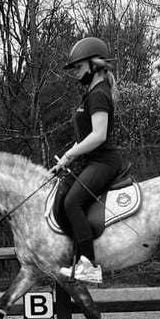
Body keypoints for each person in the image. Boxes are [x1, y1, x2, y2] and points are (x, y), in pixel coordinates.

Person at [51, 37, 123, 284]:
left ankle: (89, 265)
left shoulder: (99, 94)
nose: (76, 73)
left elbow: (99, 135)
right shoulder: (91, 94)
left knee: (73, 203)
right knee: (63, 199)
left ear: (94, 65)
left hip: (104, 162)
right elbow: (84, 137)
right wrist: (64, 161)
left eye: (79, 67)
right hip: (90, 161)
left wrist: (70, 155)